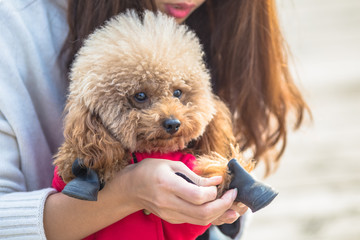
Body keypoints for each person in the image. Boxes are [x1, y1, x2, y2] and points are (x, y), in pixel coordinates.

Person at [0, 0, 308, 240]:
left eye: (177, 93)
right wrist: (128, 190)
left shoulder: (219, 22)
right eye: (140, 98)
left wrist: (218, 198)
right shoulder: (13, 29)